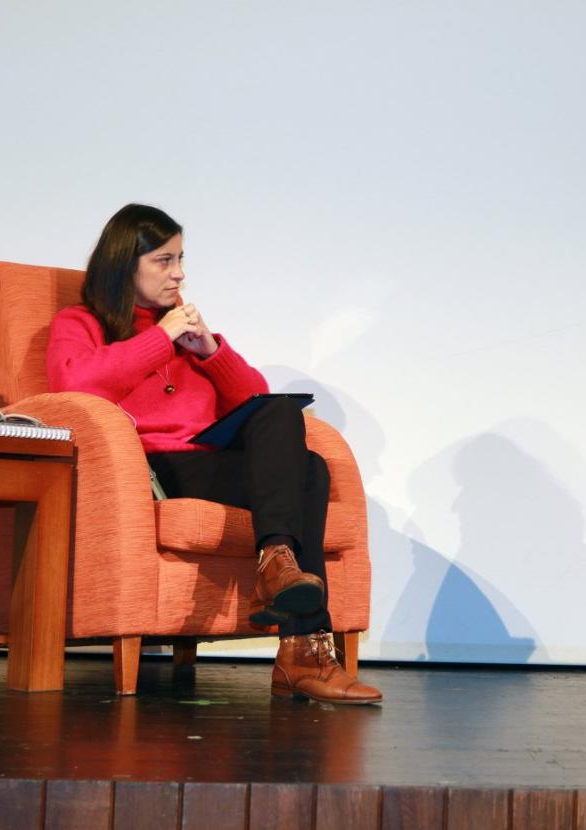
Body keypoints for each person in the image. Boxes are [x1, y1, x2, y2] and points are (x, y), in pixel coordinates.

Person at [47, 203, 381, 705]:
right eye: (164, 260)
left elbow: (253, 396)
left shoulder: (186, 334)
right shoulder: (80, 322)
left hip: (210, 460)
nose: (178, 273)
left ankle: (277, 565)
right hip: (151, 470)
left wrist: (210, 351)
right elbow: (74, 386)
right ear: (124, 265)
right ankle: (305, 652)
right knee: (309, 473)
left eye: (180, 259)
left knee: (284, 420)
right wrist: (160, 339)